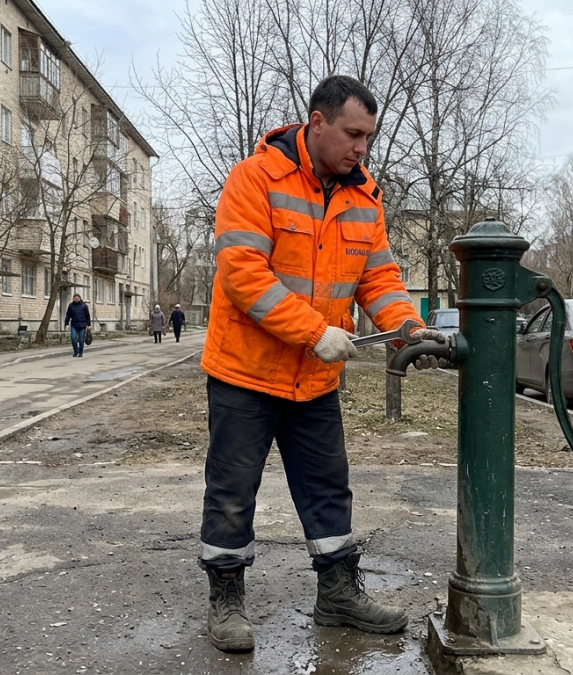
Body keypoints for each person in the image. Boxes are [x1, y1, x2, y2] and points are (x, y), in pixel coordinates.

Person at [197, 75, 445, 653]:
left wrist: (408, 325)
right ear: (316, 122)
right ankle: (226, 598)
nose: (362, 148)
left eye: (369, 137)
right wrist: (314, 332)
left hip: (313, 380)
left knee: (329, 488)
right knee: (233, 489)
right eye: (353, 134)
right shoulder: (254, 179)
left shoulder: (366, 197)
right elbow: (242, 274)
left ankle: (337, 593)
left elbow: (379, 278)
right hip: (245, 373)